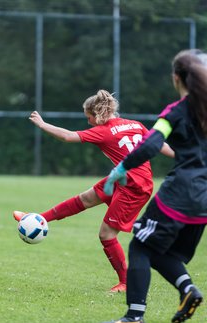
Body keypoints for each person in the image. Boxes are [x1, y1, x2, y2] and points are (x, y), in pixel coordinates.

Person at [13, 90, 174, 292]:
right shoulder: (135, 124)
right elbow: (158, 144)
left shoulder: (104, 131)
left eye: (88, 118)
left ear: (96, 115)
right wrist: (182, 156)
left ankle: (125, 283)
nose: (88, 122)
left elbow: (68, 136)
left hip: (134, 188)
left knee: (106, 235)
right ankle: (36, 217)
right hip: (125, 178)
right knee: (86, 198)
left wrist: (43, 124)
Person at [101, 49, 207, 323]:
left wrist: (121, 168)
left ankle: (134, 316)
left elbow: (150, 144)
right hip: (204, 199)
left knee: (139, 246)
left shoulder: (176, 111)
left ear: (176, 79)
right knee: (162, 251)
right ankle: (188, 291)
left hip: (179, 193)